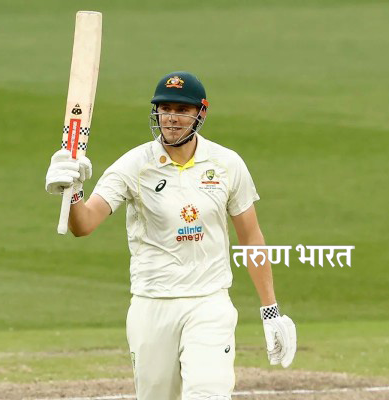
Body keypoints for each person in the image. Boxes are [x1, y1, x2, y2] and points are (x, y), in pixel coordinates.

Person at [45, 71, 296, 400]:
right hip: (152, 304)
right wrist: (73, 191)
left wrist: (270, 310)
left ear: (200, 113)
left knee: (209, 394)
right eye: (165, 109)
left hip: (209, 302)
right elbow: (84, 225)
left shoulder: (226, 164)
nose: (172, 118)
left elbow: (251, 238)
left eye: (182, 110)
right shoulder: (133, 166)